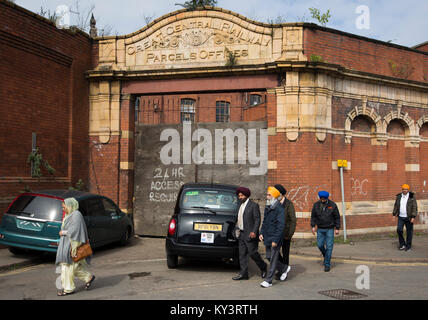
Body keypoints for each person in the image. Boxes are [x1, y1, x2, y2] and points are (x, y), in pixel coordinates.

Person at [55, 197, 95, 296]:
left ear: (70, 206)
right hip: (66, 244)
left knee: (67, 267)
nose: (63, 209)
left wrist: (63, 232)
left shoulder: (76, 215)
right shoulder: (69, 214)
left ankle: (68, 289)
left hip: (71, 245)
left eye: (64, 207)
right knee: (73, 267)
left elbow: (75, 230)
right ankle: (88, 277)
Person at [232, 187, 267, 280]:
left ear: (246, 195)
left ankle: (263, 267)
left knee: (253, 253)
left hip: (250, 234)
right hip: (241, 233)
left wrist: (254, 231)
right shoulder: (240, 205)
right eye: (239, 195)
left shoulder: (253, 205)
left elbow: (257, 219)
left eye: (242, 195)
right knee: (242, 254)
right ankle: (244, 274)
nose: (240, 197)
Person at [259, 187, 290, 288]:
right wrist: (261, 232)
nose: (267, 197)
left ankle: (269, 280)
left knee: (273, 258)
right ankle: (284, 268)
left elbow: (281, 226)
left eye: (269, 195)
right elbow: (264, 222)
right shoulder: (268, 207)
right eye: (267, 195)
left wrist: (276, 240)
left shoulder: (279, 209)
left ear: (274, 196)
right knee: (268, 256)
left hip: (275, 238)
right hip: (267, 236)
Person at [310, 191, 340, 272]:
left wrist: (337, 228)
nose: (322, 200)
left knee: (329, 247)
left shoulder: (332, 205)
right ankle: (326, 256)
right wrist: (313, 226)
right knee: (320, 245)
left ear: (327, 198)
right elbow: (313, 216)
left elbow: (337, 217)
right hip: (320, 229)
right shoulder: (316, 205)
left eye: (324, 199)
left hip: (330, 229)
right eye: (321, 198)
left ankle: (327, 264)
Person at [274, 184, 296, 280]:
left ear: (281, 194)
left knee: (285, 253)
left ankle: (284, 273)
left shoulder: (289, 204)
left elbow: (293, 220)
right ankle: (283, 268)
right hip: (276, 233)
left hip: (286, 233)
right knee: (274, 252)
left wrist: (289, 234)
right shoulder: (274, 203)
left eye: (277, 193)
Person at [392, 184, 418, 251]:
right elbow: (396, 206)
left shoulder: (411, 196)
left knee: (409, 232)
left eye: (406, 189)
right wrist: (394, 214)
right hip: (401, 217)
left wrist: (413, 217)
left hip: (408, 217)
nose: (404, 190)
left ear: (408, 190)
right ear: (402, 189)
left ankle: (408, 246)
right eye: (403, 189)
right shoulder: (399, 196)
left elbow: (414, 207)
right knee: (399, 230)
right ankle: (402, 244)